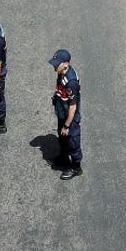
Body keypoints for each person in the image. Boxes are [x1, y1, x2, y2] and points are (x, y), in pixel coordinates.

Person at [49, 49, 82, 180]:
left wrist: (67, 125)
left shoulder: (71, 81)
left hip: (70, 117)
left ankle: (75, 167)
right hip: (62, 112)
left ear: (65, 64)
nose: (54, 66)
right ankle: (63, 157)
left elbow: (73, 106)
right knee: (62, 137)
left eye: (57, 63)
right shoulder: (62, 73)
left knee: (73, 140)